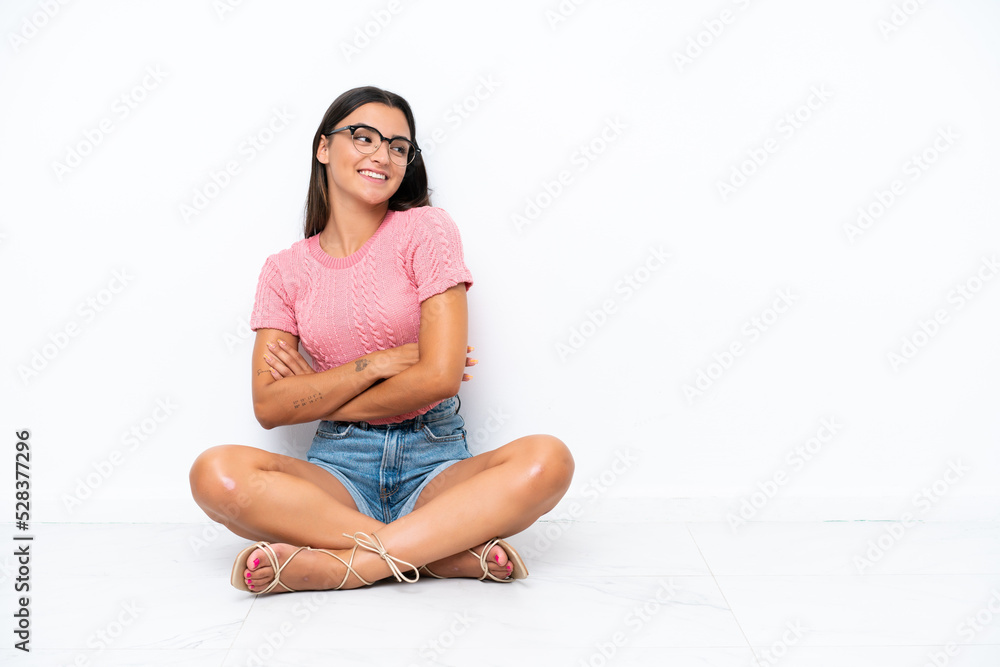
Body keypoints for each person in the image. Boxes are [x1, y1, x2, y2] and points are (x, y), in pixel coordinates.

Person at [189, 86, 575, 593]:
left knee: (549, 459)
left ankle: (345, 567)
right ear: (323, 148)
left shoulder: (426, 230)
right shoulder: (285, 271)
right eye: (364, 137)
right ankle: (440, 552)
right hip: (338, 471)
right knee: (215, 473)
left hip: (433, 460)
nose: (382, 155)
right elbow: (270, 405)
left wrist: (318, 394)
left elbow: (438, 379)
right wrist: (374, 365)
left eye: (398, 146)